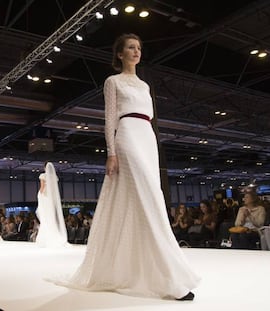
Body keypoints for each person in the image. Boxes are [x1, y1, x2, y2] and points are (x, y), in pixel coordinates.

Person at [54, 33, 200, 300]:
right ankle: (169, 278)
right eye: (131, 47)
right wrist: (111, 153)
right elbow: (110, 119)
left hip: (147, 137)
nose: (136, 51)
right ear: (119, 54)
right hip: (128, 136)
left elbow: (150, 116)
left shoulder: (144, 86)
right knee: (147, 197)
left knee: (151, 197)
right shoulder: (113, 82)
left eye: (139, 48)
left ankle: (143, 269)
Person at [35, 162, 68, 247]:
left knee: (45, 217)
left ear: (44, 167)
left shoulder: (43, 175)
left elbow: (42, 188)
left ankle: (45, 237)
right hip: (51, 199)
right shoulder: (54, 177)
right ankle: (53, 234)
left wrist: (40, 195)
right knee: (50, 216)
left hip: (44, 198)